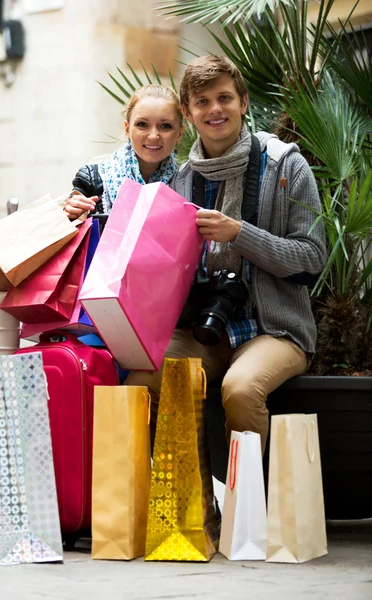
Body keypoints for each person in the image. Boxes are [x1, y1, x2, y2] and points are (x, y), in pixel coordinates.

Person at [125, 55, 327, 464]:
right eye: (202, 102)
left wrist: (239, 233)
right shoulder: (182, 179)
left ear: (244, 102)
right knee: (142, 381)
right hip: (209, 328)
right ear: (188, 112)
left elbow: (311, 259)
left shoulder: (287, 165)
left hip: (275, 328)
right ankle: (190, 514)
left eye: (224, 98)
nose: (215, 109)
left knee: (240, 388)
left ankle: (245, 518)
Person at [63, 84, 183, 220]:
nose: (153, 136)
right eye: (142, 124)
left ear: (179, 133)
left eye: (165, 126)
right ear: (127, 129)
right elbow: (68, 228)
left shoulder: (187, 185)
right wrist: (70, 212)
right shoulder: (92, 179)